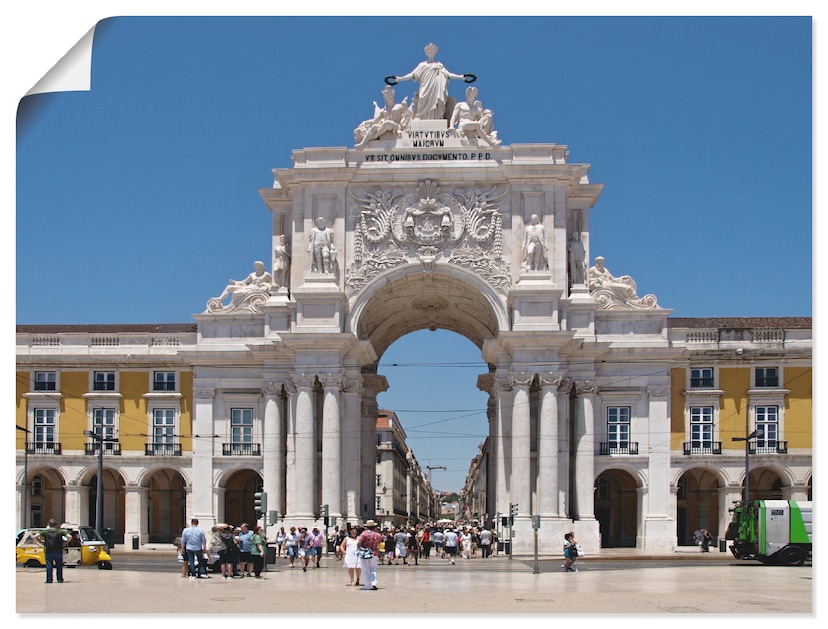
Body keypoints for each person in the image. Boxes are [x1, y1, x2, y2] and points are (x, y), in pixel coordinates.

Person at [393, 42, 467, 121]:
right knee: (423, 101)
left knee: (436, 102)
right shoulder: (422, 65)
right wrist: (400, 78)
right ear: (426, 52)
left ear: (435, 52)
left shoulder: (439, 65)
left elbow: (448, 74)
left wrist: (460, 77)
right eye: (429, 51)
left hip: (436, 87)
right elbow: (412, 75)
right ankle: (422, 118)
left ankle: (436, 119)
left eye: (432, 51)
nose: (430, 52)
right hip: (425, 87)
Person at [38, 519, 69, 584]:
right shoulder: (60, 531)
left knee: (49, 565)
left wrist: (41, 543)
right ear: (56, 525)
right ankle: (59, 579)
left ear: (49, 525)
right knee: (59, 565)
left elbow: (35, 536)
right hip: (58, 550)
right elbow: (70, 537)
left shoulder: (45, 532)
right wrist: (65, 543)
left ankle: (49, 580)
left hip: (48, 550)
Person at [356, 519, 382, 590]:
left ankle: (367, 585)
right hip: (374, 553)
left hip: (365, 553)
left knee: (365, 569)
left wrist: (358, 548)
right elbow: (379, 543)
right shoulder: (378, 535)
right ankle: (373, 583)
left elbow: (359, 542)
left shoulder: (364, 533)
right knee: (373, 569)